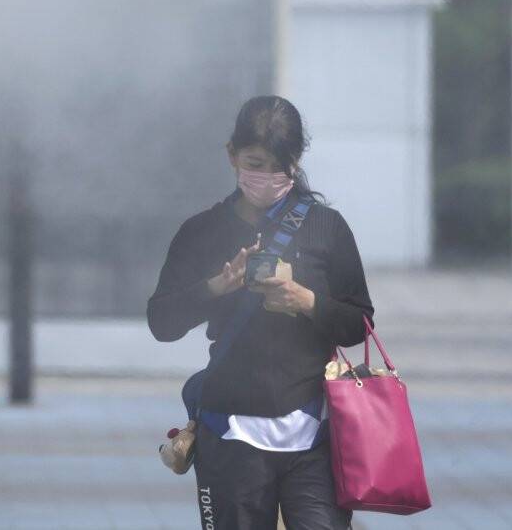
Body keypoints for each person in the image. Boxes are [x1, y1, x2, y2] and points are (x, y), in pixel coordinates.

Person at [147, 95, 374, 530]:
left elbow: (359, 323)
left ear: (297, 159)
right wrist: (217, 286)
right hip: (230, 433)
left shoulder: (327, 227)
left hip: (314, 432)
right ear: (231, 154)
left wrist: (304, 300)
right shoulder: (202, 232)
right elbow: (162, 322)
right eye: (255, 162)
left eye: (279, 165)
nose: (267, 176)